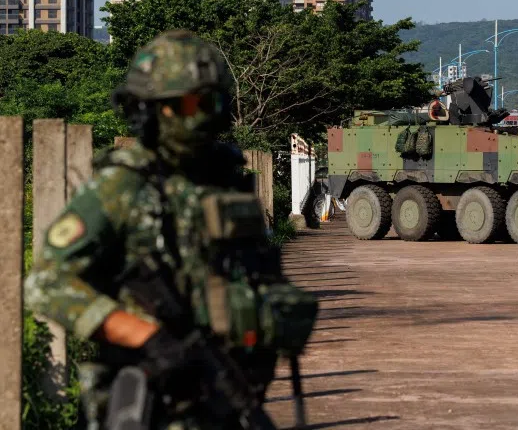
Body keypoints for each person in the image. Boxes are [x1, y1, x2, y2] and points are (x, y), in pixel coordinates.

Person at [25, 29, 318, 429]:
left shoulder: (227, 181)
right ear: (150, 110)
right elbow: (47, 281)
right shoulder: (123, 186)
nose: (198, 116)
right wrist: (146, 337)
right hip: (150, 399)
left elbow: (249, 275)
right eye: (184, 105)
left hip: (227, 393)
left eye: (209, 103)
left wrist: (275, 313)